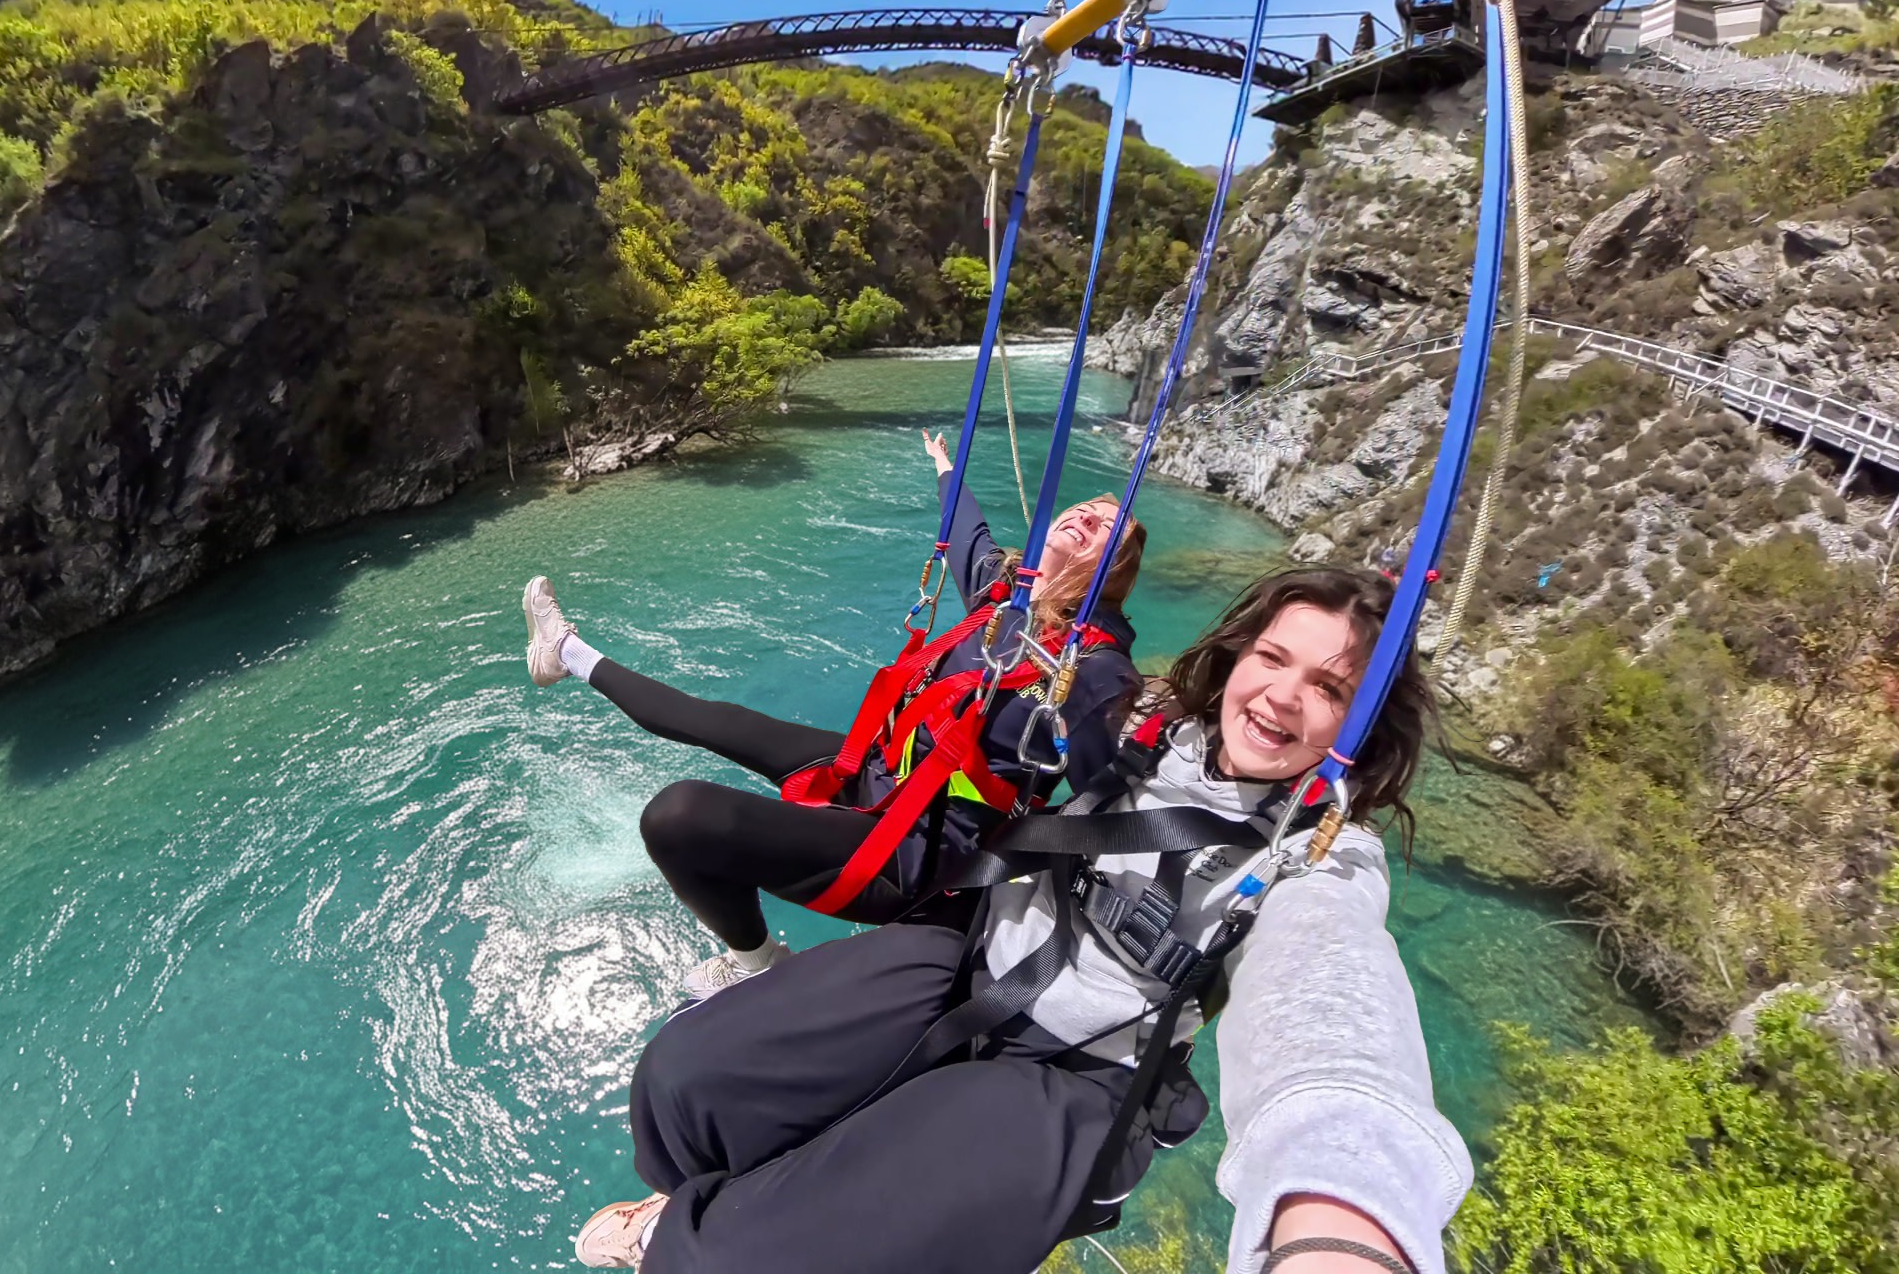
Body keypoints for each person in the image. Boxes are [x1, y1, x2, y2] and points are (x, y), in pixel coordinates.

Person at [572, 566, 1472, 1274]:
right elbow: (1041, 621)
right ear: (1238, 657)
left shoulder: (1324, 856)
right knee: (685, 1079)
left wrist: (1340, 1208)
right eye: (1273, 658)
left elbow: (1332, 998)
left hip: (1083, 1078)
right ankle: (694, 1204)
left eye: (1329, 687)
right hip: (970, 967)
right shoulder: (1149, 725)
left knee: (761, 1261)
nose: (1281, 695)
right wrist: (1078, 581)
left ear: (1363, 725)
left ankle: (701, 1242)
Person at [522, 433, 1147, 1000]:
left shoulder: (1094, 667)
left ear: (1114, 573)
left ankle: (753, 963)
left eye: (1105, 528)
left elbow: (1112, 798)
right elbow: (967, 535)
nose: (1086, 515)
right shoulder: (1005, 596)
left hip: (919, 855)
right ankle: (566, 654)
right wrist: (947, 469)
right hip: (881, 777)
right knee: (716, 719)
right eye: (1083, 508)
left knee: (679, 816)